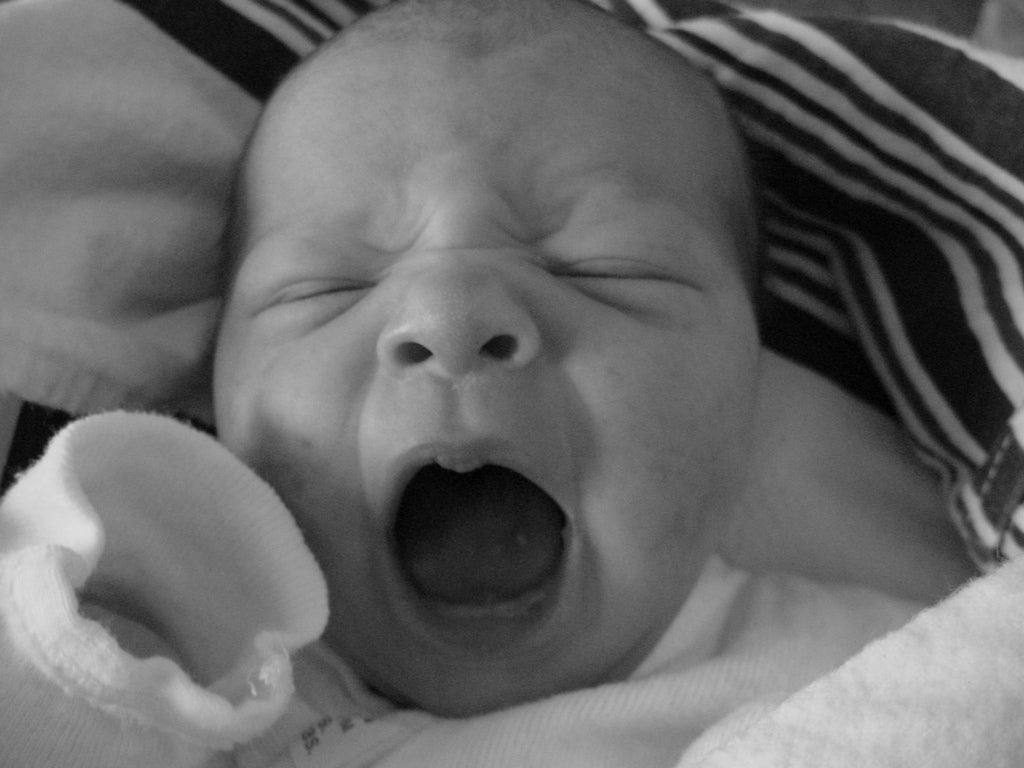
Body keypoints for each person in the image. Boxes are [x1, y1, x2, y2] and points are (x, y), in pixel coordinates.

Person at [0, 0, 976, 766]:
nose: (451, 317)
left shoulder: (888, 672)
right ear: (214, 389)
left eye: (606, 268)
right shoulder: (173, 666)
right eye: (327, 287)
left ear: (750, 384)